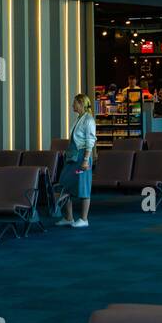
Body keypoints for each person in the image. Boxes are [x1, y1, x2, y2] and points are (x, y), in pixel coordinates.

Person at [56, 93, 97, 228]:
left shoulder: (89, 120)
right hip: (72, 157)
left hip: (81, 158)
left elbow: (90, 142)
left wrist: (85, 160)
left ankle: (84, 219)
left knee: (84, 186)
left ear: (81, 104)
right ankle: (69, 217)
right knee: (65, 184)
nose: (72, 105)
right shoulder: (79, 118)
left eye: (74, 103)